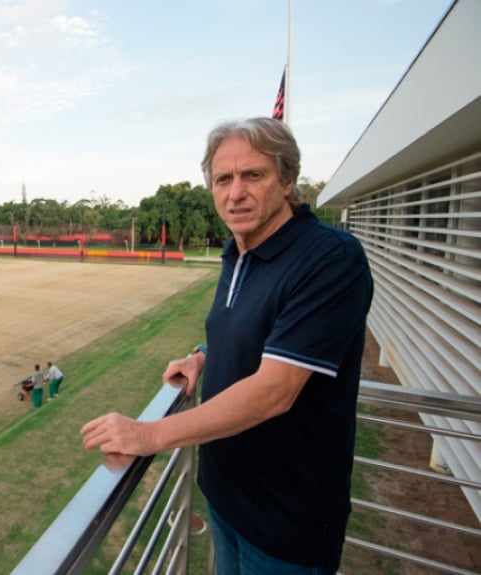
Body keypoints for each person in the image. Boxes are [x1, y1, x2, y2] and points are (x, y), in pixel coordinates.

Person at [80, 117, 373, 574]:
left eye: (253, 175)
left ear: (288, 179)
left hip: (286, 524)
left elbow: (276, 390)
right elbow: (256, 334)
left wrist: (148, 434)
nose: (235, 193)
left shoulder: (329, 257)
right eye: (223, 179)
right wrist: (205, 357)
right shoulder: (238, 251)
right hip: (226, 498)